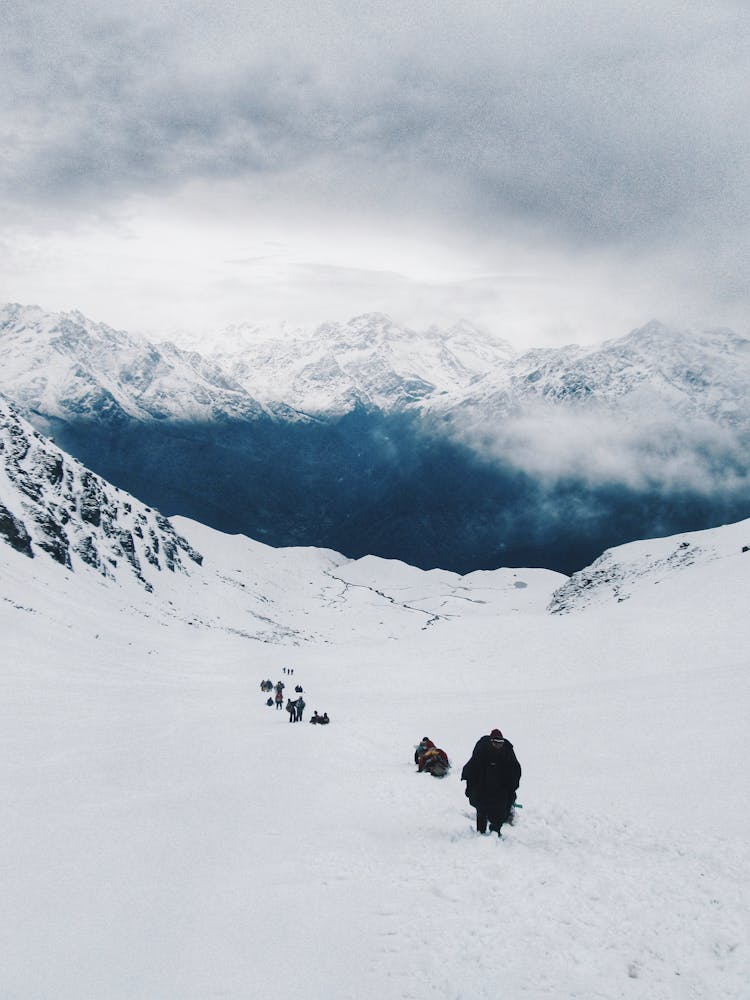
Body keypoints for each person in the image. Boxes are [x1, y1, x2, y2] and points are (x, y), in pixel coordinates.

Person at [461, 729, 521, 836]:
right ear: (490, 741)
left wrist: (511, 787)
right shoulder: (481, 751)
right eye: (495, 743)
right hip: (482, 787)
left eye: (500, 743)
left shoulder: (507, 752)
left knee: (500, 811)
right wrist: (471, 786)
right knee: (481, 810)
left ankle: (495, 832)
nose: (498, 745)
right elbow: (472, 768)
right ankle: (481, 833)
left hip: (501, 789)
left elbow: (515, 771)